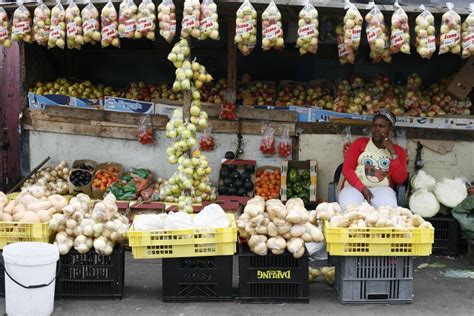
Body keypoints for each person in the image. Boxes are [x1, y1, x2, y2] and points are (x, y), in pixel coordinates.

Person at [338, 110, 408, 210]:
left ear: (390, 129)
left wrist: (392, 153)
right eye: (374, 126)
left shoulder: (398, 151)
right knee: (351, 210)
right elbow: (347, 169)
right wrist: (363, 189)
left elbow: (400, 179)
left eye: (381, 126)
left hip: (382, 190)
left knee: (388, 211)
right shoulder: (360, 143)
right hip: (354, 188)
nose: (377, 129)